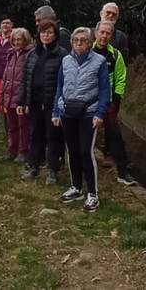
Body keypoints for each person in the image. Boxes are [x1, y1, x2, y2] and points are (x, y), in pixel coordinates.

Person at [53, 27, 110, 213]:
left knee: (86, 151)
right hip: (67, 111)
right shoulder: (66, 60)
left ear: (90, 42)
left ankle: (92, 194)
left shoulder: (99, 62)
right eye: (75, 40)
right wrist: (56, 111)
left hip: (88, 113)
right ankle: (76, 187)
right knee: (73, 151)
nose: (79, 43)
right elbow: (59, 86)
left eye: (83, 40)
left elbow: (104, 90)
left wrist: (100, 113)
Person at [17, 19, 68, 184]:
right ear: (38, 34)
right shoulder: (32, 54)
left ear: (55, 35)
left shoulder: (62, 55)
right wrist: (21, 101)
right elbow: (25, 79)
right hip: (34, 102)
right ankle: (34, 166)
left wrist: (61, 104)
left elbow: (66, 81)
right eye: (43, 32)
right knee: (35, 134)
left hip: (53, 104)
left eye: (49, 32)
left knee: (53, 136)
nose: (46, 35)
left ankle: (53, 169)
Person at [93, 21, 137, 186]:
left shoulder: (115, 55)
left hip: (108, 102)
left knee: (116, 136)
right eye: (102, 32)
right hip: (88, 101)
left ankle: (123, 171)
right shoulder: (86, 51)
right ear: (96, 33)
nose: (104, 36)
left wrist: (117, 98)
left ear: (111, 36)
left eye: (108, 33)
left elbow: (120, 78)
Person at [0, 28, 33, 163]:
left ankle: (23, 151)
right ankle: (12, 150)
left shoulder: (29, 54)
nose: (17, 42)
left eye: (20, 39)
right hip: (9, 95)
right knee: (11, 126)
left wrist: (26, 100)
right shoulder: (10, 54)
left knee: (23, 126)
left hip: (21, 97)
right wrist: (1, 100)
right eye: (15, 40)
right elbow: (5, 77)